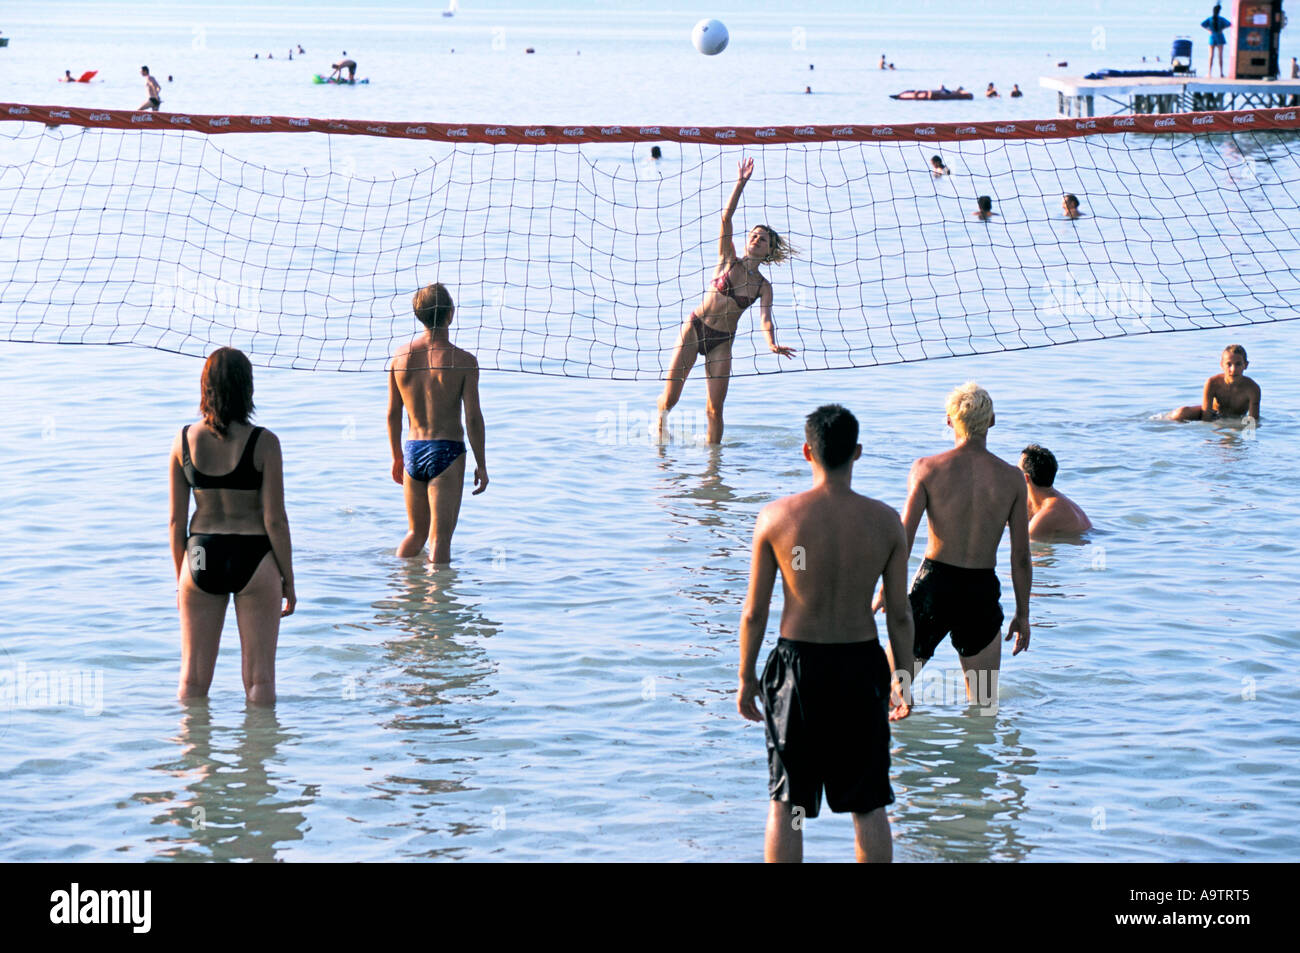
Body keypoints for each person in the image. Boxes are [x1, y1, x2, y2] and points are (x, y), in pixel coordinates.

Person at [738, 405, 915, 863]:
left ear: (806, 451)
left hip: (798, 672)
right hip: (860, 667)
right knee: (867, 802)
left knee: (790, 805)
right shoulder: (885, 521)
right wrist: (904, 679)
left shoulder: (776, 518)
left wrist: (745, 678)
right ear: (857, 453)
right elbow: (899, 614)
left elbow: (754, 613)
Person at [876, 383, 1031, 707]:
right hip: (980, 593)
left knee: (889, 694)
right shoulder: (1013, 479)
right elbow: (1020, 556)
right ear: (991, 421)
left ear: (949, 421)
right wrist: (1023, 613)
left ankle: (900, 754)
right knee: (984, 706)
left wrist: (885, 589)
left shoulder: (926, 469)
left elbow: (902, 538)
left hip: (935, 587)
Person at [170, 348, 295, 705]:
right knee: (260, 681)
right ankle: (256, 759)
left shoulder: (182, 442)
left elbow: (176, 520)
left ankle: (195, 757)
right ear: (247, 389)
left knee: (192, 681)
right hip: (254, 557)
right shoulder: (265, 443)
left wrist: (181, 576)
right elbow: (275, 519)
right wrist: (288, 577)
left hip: (200, 557)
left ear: (205, 387)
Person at [656, 157, 796, 445]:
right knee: (670, 399)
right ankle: (660, 436)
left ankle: (713, 469)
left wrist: (770, 343)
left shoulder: (763, 287)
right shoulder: (727, 259)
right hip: (695, 329)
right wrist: (740, 183)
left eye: (764, 239)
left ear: (769, 252)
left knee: (715, 410)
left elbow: (766, 319)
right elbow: (725, 219)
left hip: (722, 341)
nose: (757, 239)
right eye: (754, 235)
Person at [388, 282, 488, 564]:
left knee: (414, 534)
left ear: (418, 315)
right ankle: (439, 606)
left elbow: (392, 413)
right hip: (447, 452)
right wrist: (481, 463)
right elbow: (473, 417)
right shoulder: (464, 361)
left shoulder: (400, 357)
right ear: (451, 314)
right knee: (439, 541)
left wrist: (397, 456)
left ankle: (399, 589)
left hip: (413, 451)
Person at [1170, 344, 1261, 422]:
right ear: (1221, 365)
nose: (1233, 370)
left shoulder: (1253, 389)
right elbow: (1206, 416)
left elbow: (1253, 421)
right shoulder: (1212, 383)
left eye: (1238, 364)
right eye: (1229, 364)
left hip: (1237, 419)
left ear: (1246, 365)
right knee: (1180, 413)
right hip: (1214, 414)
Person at [1019, 445, 1092, 538]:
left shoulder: (1048, 514)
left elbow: (1023, 545)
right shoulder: (1052, 501)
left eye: (1017, 470)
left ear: (1025, 478)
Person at [1202, 4, 1231, 78]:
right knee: (1220, 56)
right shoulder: (1221, 19)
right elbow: (1229, 24)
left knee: (1211, 56)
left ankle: (1209, 73)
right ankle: (1221, 73)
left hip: (1212, 37)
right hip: (1220, 37)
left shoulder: (1210, 18)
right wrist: (1222, 29)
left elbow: (1202, 24)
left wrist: (1209, 30)